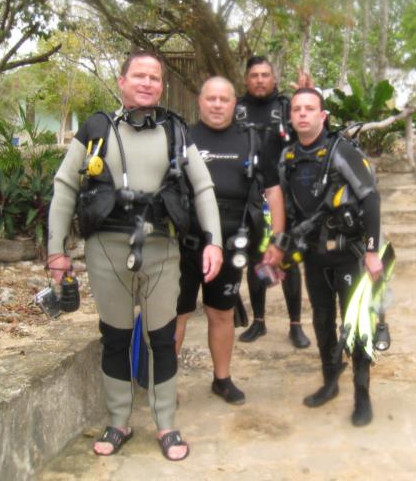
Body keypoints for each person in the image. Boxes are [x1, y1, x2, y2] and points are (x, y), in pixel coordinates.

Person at [46, 51, 223, 462]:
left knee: (162, 338)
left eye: (155, 78)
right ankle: (119, 420)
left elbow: (203, 188)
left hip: (162, 249)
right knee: (116, 338)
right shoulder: (96, 129)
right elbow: (64, 188)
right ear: (122, 81)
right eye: (139, 76)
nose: (147, 83)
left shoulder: (176, 131)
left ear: (161, 86)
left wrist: (213, 240)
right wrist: (56, 252)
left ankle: (167, 423)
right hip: (107, 250)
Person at [174, 76, 287, 405]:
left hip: (230, 243)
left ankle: (222, 379)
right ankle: (166, 385)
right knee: (176, 314)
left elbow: (274, 192)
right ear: (200, 101)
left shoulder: (252, 140)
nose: (218, 104)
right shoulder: (182, 138)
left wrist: (276, 241)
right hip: (185, 244)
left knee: (221, 313)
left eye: (224, 99)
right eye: (211, 98)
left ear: (234, 103)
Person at [279, 88, 383, 426]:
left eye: (310, 108)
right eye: (297, 109)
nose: (303, 114)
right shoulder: (288, 158)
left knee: (357, 322)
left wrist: (372, 250)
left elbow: (370, 199)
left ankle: (362, 393)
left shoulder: (342, 152)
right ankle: (329, 382)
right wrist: (283, 246)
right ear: (291, 117)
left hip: (348, 253)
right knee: (322, 320)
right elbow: (289, 210)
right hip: (314, 254)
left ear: (323, 116)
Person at [234, 56, 311, 349]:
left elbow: (312, 129)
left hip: (285, 192)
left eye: (265, 74)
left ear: (274, 78)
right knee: (255, 256)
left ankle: (295, 325)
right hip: (249, 194)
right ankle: (259, 322)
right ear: (246, 79)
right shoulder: (236, 109)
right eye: (254, 75)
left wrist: (309, 93)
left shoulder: (287, 107)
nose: (260, 80)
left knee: (288, 258)